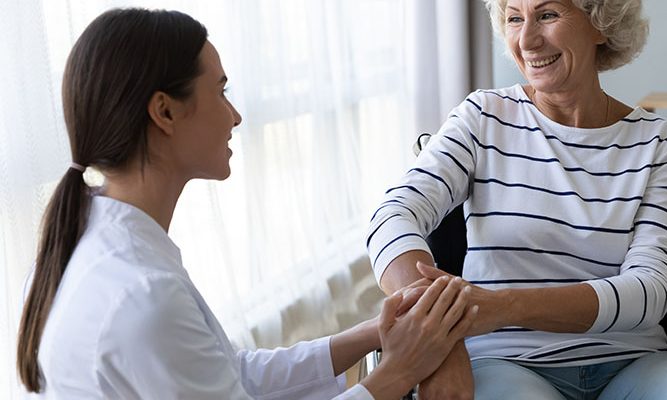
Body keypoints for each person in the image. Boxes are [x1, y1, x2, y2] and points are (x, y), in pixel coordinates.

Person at [16, 8, 478, 400]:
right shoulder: (143, 296)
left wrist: (373, 334)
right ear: (165, 112)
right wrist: (394, 374)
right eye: (220, 91)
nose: (235, 115)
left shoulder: (88, 243)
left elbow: (229, 375)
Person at [366, 0, 667, 399]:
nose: (527, 40)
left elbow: (651, 289)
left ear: (602, 25)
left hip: (632, 359)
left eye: (548, 15)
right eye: (515, 18)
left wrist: (503, 306)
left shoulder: (660, 142)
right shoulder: (482, 117)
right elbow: (392, 217)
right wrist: (440, 343)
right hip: (505, 359)